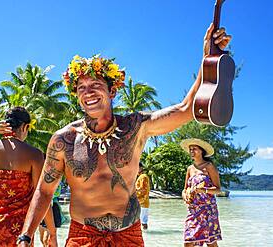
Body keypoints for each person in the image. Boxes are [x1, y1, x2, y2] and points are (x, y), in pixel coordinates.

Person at [18, 24, 231, 247]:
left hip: (129, 235)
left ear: (112, 92)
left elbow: (186, 109)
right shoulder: (64, 140)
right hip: (83, 237)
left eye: (96, 85)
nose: (88, 92)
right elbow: (44, 191)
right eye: (81, 87)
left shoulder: (135, 128)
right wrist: (26, 235)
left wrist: (208, 58)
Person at [0, 106, 57, 247]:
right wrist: (51, 231)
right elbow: (41, 194)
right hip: (15, 230)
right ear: (25, 127)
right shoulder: (34, 154)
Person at [181, 138, 222, 247]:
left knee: (211, 242)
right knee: (188, 241)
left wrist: (203, 190)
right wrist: (185, 195)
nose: (191, 151)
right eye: (190, 149)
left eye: (194, 149)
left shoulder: (209, 166)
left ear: (202, 151)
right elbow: (185, 189)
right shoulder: (190, 169)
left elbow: (218, 189)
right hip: (193, 210)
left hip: (208, 210)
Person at [135, 163, 150, 230]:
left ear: (140, 168)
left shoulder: (143, 176)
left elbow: (143, 189)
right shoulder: (142, 177)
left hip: (142, 202)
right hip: (141, 202)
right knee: (141, 221)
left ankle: (145, 236)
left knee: (143, 222)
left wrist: (132, 190)